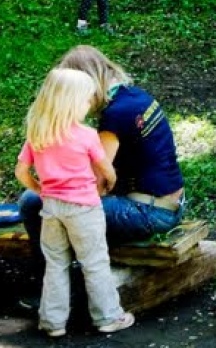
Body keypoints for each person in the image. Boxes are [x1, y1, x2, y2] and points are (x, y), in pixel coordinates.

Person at [19, 46, 185, 251]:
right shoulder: (134, 96)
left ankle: (57, 270)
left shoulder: (114, 116)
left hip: (150, 212)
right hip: (169, 204)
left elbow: (94, 185)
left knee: (33, 202)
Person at [15, 69, 135, 338]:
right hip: (83, 208)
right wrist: (111, 182)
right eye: (86, 100)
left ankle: (53, 322)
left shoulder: (38, 134)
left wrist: (40, 189)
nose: (89, 105)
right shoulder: (86, 135)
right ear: (71, 102)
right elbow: (106, 169)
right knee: (94, 262)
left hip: (52, 208)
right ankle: (108, 317)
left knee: (56, 263)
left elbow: (21, 172)